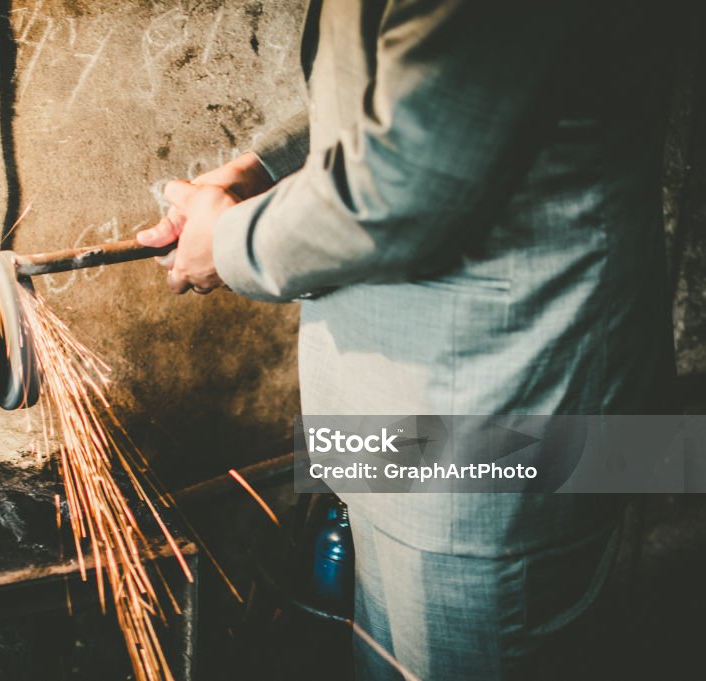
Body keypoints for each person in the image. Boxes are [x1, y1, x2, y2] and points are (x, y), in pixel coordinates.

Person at [137, 1, 677, 679]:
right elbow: (415, 94)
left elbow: (406, 182)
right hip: (417, 421)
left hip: (504, 415)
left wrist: (231, 242)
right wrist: (263, 171)